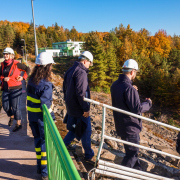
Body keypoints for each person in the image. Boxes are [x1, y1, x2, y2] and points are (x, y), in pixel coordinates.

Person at [111, 59, 152, 170]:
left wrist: (133, 92)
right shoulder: (129, 88)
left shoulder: (115, 85)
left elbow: (123, 99)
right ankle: (120, 175)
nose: (135, 75)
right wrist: (148, 103)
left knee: (132, 152)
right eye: (136, 72)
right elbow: (137, 109)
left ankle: (138, 172)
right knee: (132, 154)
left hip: (121, 125)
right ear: (132, 72)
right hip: (130, 127)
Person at [27, 52, 55, 180]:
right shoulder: (46, 84)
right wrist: (51, 109)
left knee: (38, 142)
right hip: (42, 120)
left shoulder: (31, 80)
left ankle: (39, 167)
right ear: (47, 66)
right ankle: (45, 173)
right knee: (45, 145)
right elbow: (45, 106)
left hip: (32, 117)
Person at [63, 51, 94, 161]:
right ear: (85, 61)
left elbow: (64, 89)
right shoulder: (81, 72)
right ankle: (89, 155)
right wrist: (85, 109)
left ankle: (64, 144)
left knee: (75, 129)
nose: (89, 66)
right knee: (86, 131)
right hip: (80, 109)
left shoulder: (70, 70)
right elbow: (81, 93)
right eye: (89, 63)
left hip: (71, 107)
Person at [0, 47, 30, 132]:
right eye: (4, 54)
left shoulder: (17, 64)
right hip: (6, 89)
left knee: (16, 107)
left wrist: (23, 77)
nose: (5, 55)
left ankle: (18, 124)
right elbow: (0, 75)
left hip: (16, 89)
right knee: (5, 107)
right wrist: (3, 79)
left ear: (11, 55)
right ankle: (12, 116)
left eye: (7, 54)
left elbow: (27, 69)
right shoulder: (2, 65)